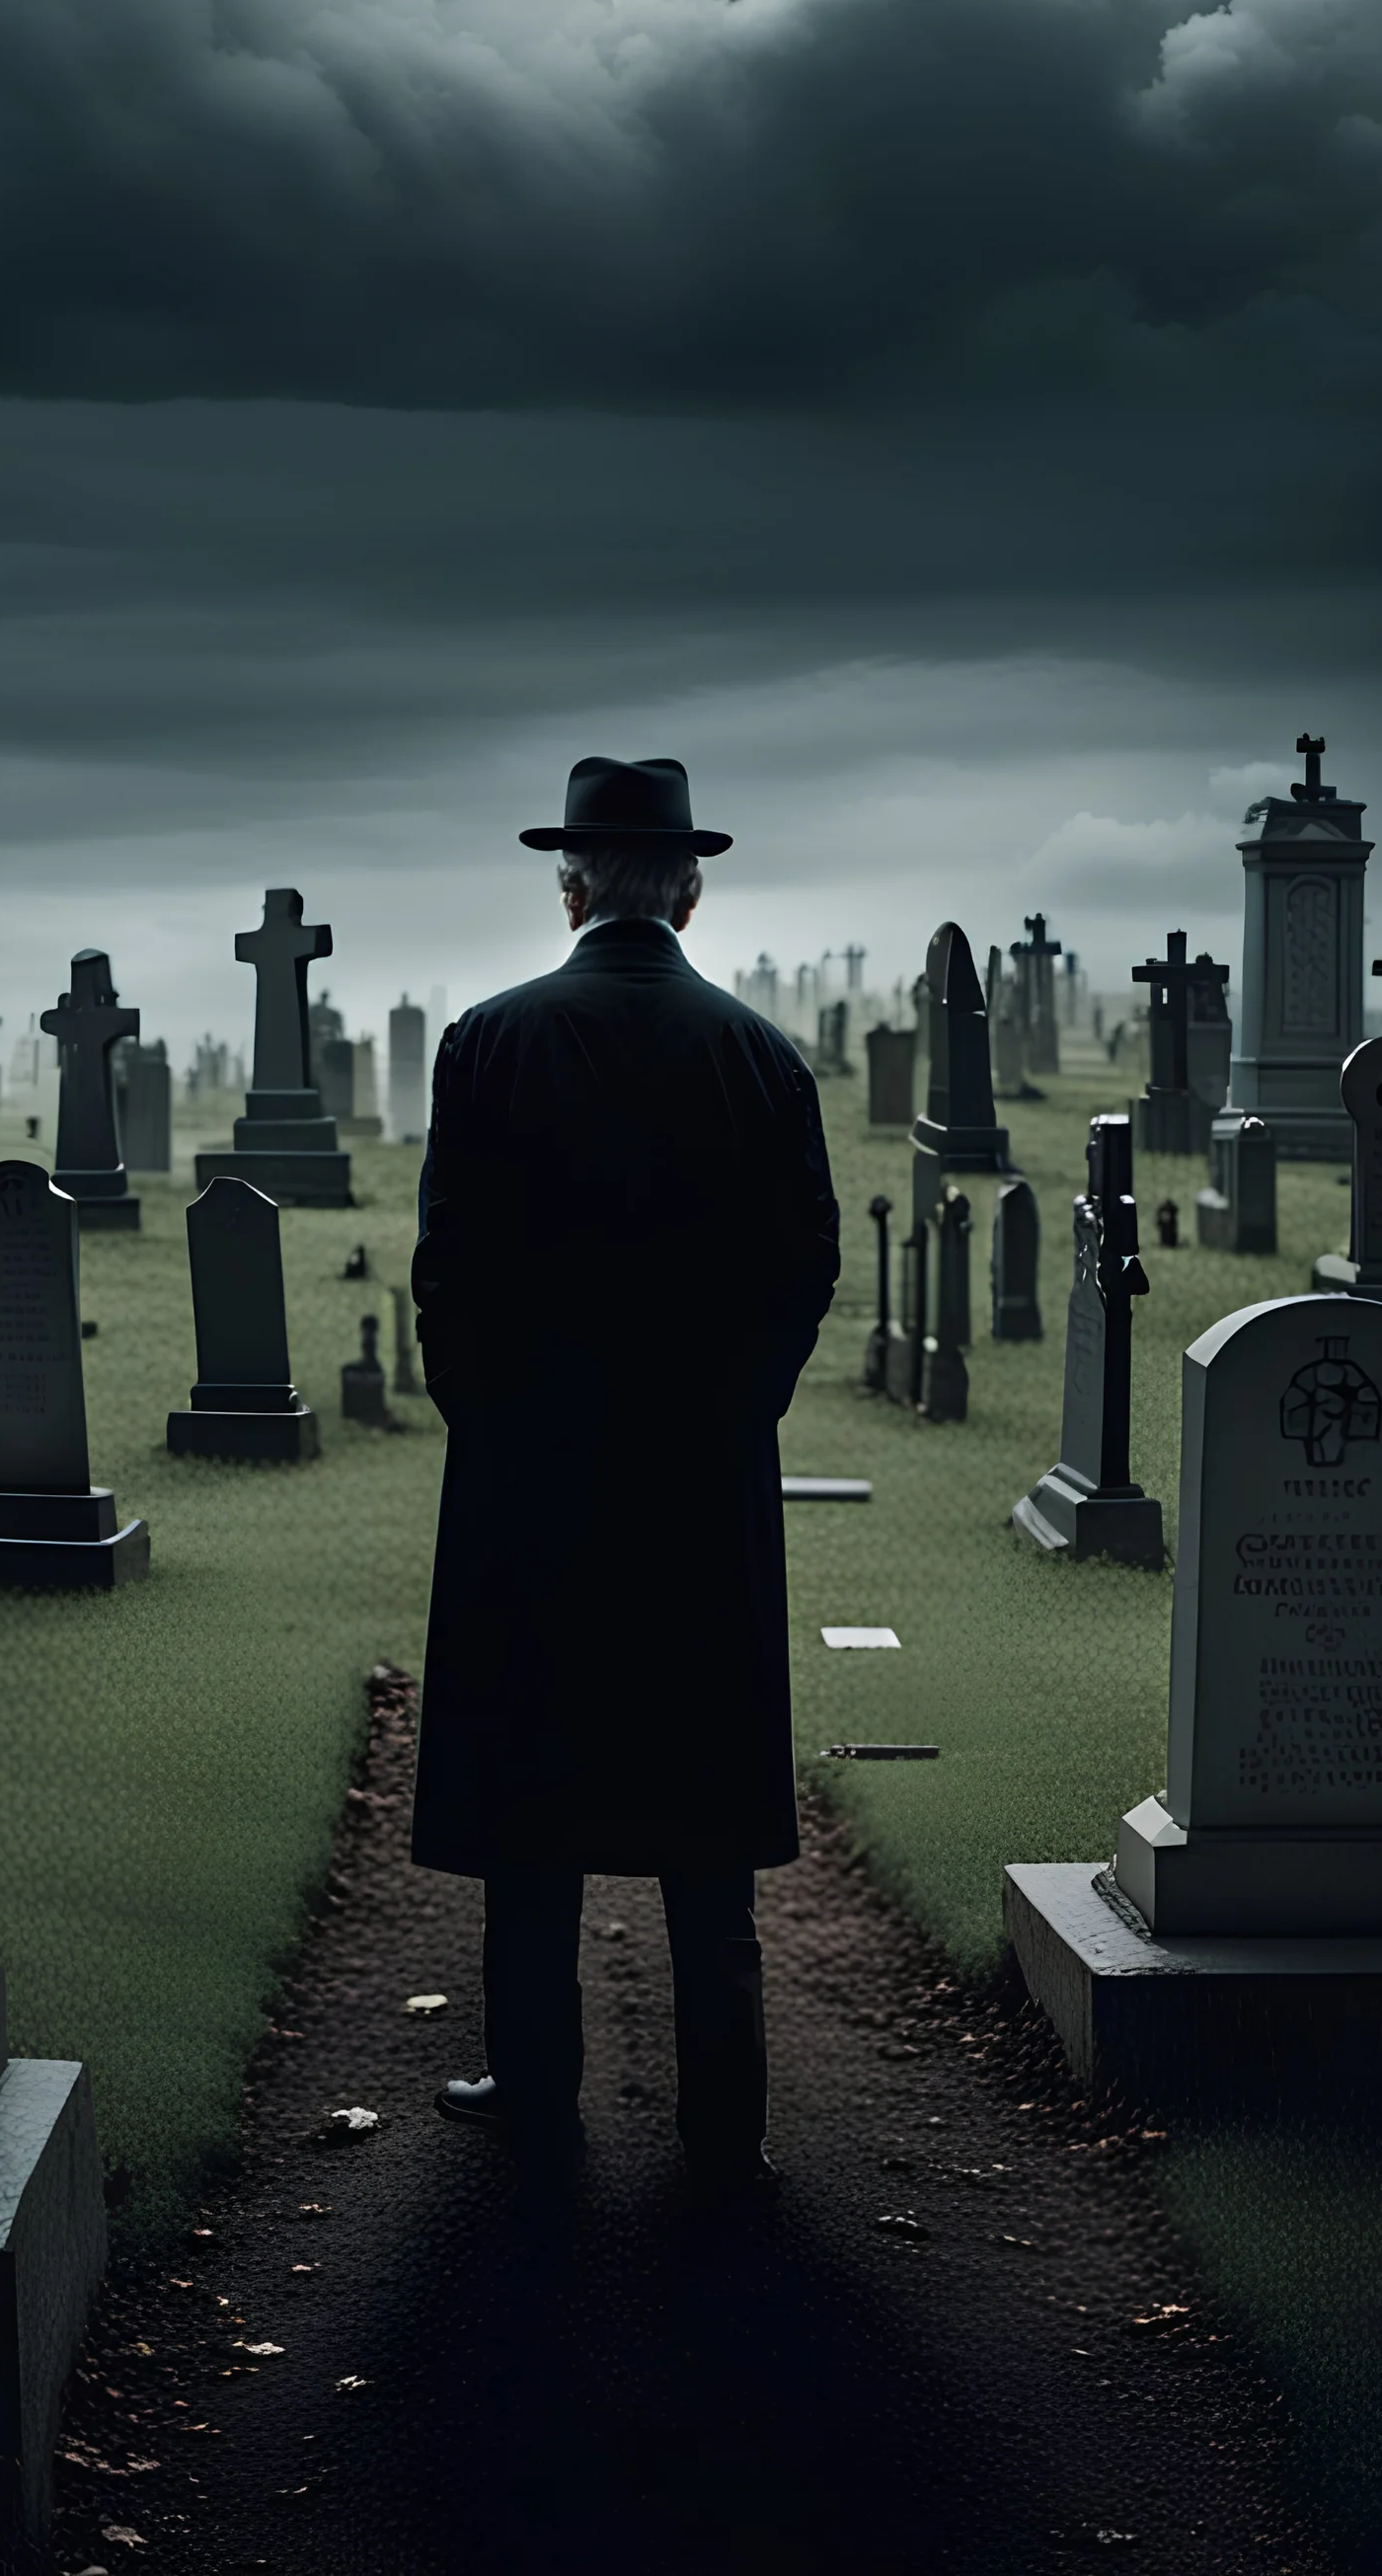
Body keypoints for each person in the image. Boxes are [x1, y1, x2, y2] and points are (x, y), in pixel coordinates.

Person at [410, 755, 840, 2184]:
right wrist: (736, 1418)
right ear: (693, 892)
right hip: (697, 1482)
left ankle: (536, 2084)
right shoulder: (761, 1057)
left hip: (533, 1481)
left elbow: (448, 1270)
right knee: (702, 1804)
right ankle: (727, 2115)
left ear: (573, 886)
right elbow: (804, 1270)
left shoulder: (489, 1040)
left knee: (535, 1798)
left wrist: (494, 1421)